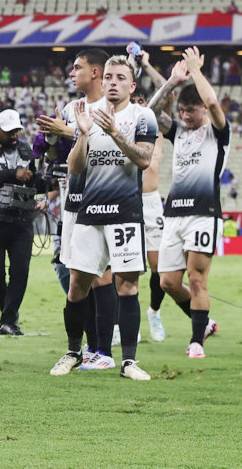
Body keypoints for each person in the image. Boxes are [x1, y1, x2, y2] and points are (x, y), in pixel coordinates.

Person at [50, 55, 157, 381]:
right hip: (90, 213)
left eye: (120, 77)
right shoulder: (88, 115)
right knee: (77, 287)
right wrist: (82, 134)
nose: (113, 82)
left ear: (132, 85)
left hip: (125, 213)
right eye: (109, 76)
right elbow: (75, 168)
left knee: (127, 286)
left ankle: (128, 362)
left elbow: (144, 159)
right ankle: (73, 352)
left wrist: (115, 134)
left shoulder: (142, 116)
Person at [147, 46, 227, 359]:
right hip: (174, 215)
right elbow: (149, 114)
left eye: (190, 110)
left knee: (196, 278)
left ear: (203, 112)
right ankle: (203, 323)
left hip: (204, 215)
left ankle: (196, 342)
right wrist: (171, 83)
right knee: (167, 282)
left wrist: (195, 71)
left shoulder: (218, 132)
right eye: (182, 110)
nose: (185, 115)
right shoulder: (178, 131)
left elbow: (212, 101)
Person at [37, 49, 115, 367]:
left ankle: (104, 351)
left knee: (103, 276)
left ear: (96, 72)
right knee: (76, 277)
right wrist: (54, 137)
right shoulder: (72, 107)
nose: (72, 72)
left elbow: (110, 143)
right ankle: (82, 350)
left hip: (103, 200)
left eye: (78, 67)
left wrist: (67, 131)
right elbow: (58, 156)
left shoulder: (113, 107)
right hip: (74, 200)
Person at [0, 108, 48, 335]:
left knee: (20, 271)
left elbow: (33, 180)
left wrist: (46, 183)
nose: (14, 136)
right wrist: (13, 174)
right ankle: (9, 316)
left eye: (17, 131)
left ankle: (8, 320)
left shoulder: (25, 149)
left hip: (21, 220)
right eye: (9, 131)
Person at [130, 54, 169, 342]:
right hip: (127, 199)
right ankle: (125, 324)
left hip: (152, 200)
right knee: (128, 267)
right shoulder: (125, 127)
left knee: (159, 269)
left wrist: (144, 64)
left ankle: (154, 311)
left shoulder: (156, 125)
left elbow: (166, 87)